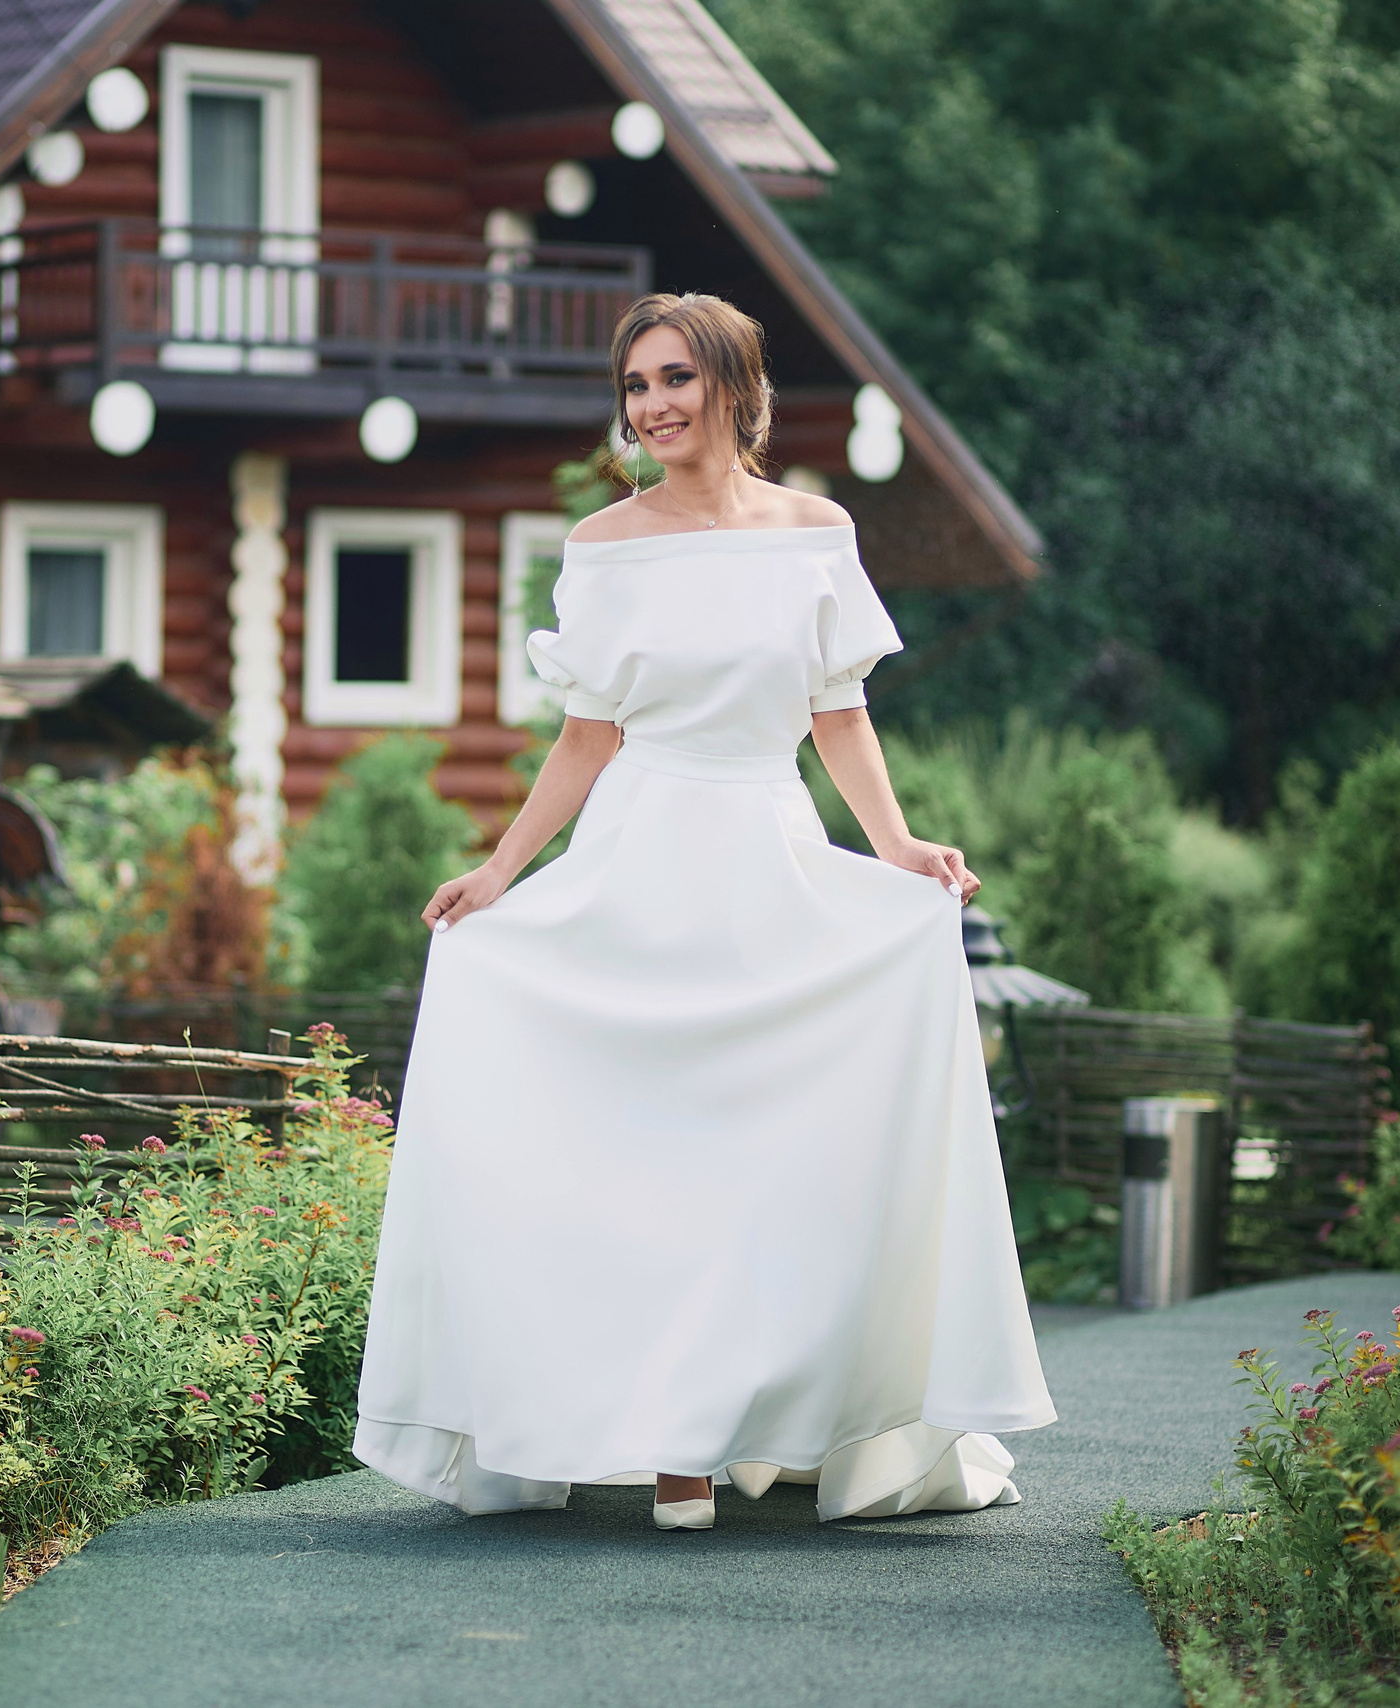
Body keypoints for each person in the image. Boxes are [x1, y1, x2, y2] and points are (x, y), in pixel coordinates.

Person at [350, 293, 1054, 1532]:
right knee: (645, 1157)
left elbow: (838, 715)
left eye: (674, 377)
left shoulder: (815, 533)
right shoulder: (602, 546)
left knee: (771, 1158)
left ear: (733, 385)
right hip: (637, 860)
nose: (653, 405)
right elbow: (586, 736)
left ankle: (775, 1418)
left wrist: (895, 847)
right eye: (635, 385)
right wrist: (501, 870)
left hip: (766, 855)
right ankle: (672, 1443)